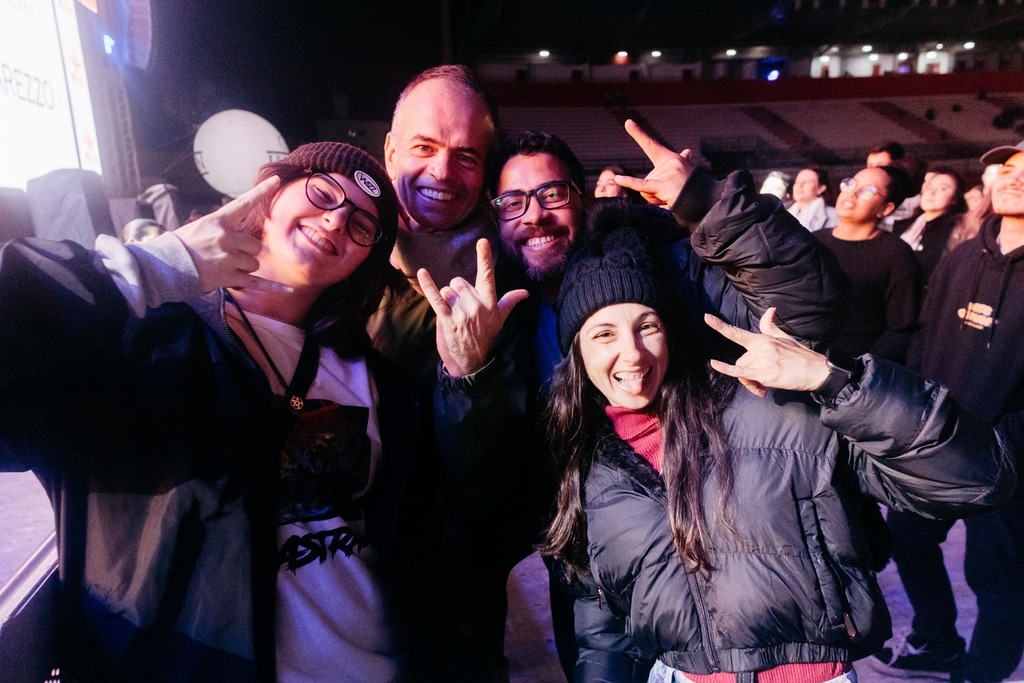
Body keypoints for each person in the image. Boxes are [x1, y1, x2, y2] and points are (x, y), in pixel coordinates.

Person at [0, 142, 474, 682]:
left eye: (364, 225)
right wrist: (154, 267)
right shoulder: (134, 343)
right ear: (269, 194)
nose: (338, 219)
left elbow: (420, 543)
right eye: (323, 192)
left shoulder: (377, 378)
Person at [428, 118, 849, 682]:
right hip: (588, 551)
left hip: (711, 535)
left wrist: (708, 203)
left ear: (582, 199)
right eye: (513, 202)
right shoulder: (495, 313)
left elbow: (810, 310)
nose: (534, 214)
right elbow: (481, 472)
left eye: (552, 193)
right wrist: (467, 374)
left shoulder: (665, 264)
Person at [539, 221, 1015, 682]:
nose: (632, 353)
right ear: (576, 353)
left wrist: (832, 381)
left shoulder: (774, 409)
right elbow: (602, 625)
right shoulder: (590, 465)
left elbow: (978, 478)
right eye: (604, 334)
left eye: (647, 325)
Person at [870, 139, 1024, 683]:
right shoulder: (961, 257)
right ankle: (938, 641)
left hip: (1006, 458)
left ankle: (981, 674)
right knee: (907, 541)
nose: (1014, 178)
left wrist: (1007, 440)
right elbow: (923, 336)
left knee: (998, 578)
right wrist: (919, 415)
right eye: (1008, 168)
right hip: (938, 442)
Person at [814, 165, 923, 363]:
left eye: (868, 190)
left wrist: (861, 371)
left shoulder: (897, 254)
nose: (852, 193)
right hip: (799, 358)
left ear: (886, 208)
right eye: (851, 184)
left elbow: (901, 329)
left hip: (852, 368)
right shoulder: (813, 241)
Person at [894, 165, 968, 281]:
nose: (932, 192)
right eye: (929, 187)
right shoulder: (902, 225)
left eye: (943, 189)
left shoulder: (954, 232)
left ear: (954, 198)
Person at [866, 141, 921, 230]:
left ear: (897, 166)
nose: (874, 170)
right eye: (870, 166)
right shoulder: (863, 197)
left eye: (881, 166)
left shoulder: (916, 200)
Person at [788, 167, 839, 232]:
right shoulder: (784, 214)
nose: (799, 186)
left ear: (820, 189)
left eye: (807, 182)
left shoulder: (835, 216)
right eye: (797, 182)